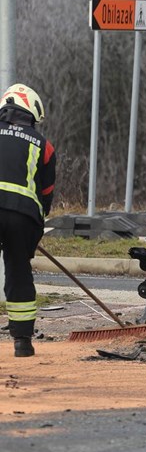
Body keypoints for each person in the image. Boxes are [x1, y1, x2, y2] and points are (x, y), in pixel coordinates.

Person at [0, 84, 56, 358]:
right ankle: (22, 342)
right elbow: (46, 194)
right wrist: (33, 230)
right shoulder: (44, 145)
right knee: (18, 271)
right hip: (22, 215)